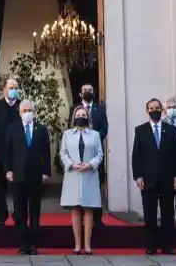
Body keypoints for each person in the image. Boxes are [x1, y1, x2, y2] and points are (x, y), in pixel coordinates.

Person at [131, 97, 176, 256]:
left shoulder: (172, 130)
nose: (154, 111)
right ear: (147, 111)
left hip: (167, 178)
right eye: (151, 108)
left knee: (168, 214)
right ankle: (151, 245)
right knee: (150, 214)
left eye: (157, 108)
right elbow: (136, 155)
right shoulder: (140, 130)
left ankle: (167, 246)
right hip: (148, 179)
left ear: (162, 110)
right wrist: (138, 176)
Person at [4, 98, 51, 255]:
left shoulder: (41, 129)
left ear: (34, 112)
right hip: (18, 176)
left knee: (35, 210)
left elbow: (46, 152)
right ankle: (24, 243)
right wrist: (8, 170)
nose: (27, 113)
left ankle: (31, 241)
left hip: (35, 176)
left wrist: (46, 171)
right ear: (19, 113)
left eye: (30, 110)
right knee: (19, 211)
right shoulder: (12, 128)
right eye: (24, 111)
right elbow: (7, 151)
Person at [60, 104, 103, 255]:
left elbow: (99, 154)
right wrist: (71, 164)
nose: (81, 117)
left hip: (89, 174)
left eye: (83, 115)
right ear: (74, 118)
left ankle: (87, 245)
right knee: (75, 209)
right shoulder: (67, 134)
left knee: (89, 209)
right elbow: (63, 153)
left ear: (87, 118)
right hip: (73, 174)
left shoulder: (95, 135)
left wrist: (90, 164)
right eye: (78, 115)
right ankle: (77, 245)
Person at [69, 84, 109, 226]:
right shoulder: (74, 108)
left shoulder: (100, 109)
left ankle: (97, 219)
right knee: (78, 187)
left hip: (94, 154)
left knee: (95, 187)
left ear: (94, 93)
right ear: (80, 93)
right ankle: (79, 219)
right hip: (78, 154)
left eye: (90, 90)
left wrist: (93, 139)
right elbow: (70, 128)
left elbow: (104, 128)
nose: (87, 92)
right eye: (85, 90)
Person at [0, 77, 23, 226]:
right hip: (0, 152)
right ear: (4, 90)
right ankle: (1, 215)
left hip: (18, 153)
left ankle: (18, 214)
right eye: (11, 88)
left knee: (18, 186)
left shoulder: (23, 106)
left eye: (15, 88)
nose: (13, 91)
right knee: (0, 185)